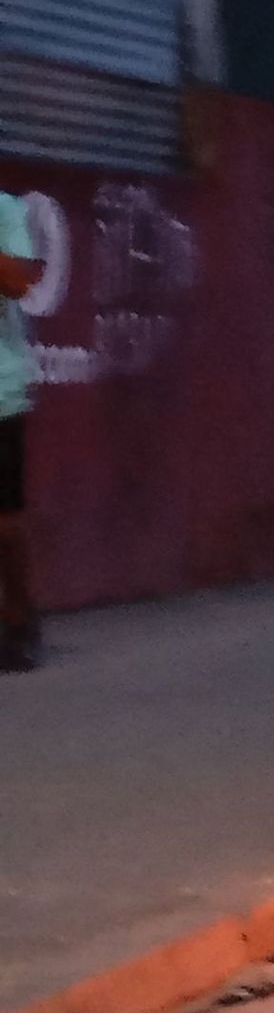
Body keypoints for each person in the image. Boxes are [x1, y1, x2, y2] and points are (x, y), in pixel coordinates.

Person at [0, 186, 39, 672]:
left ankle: (18, 620)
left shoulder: (7, 209)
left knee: (5, 524)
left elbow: (18, 282)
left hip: (0, 391)